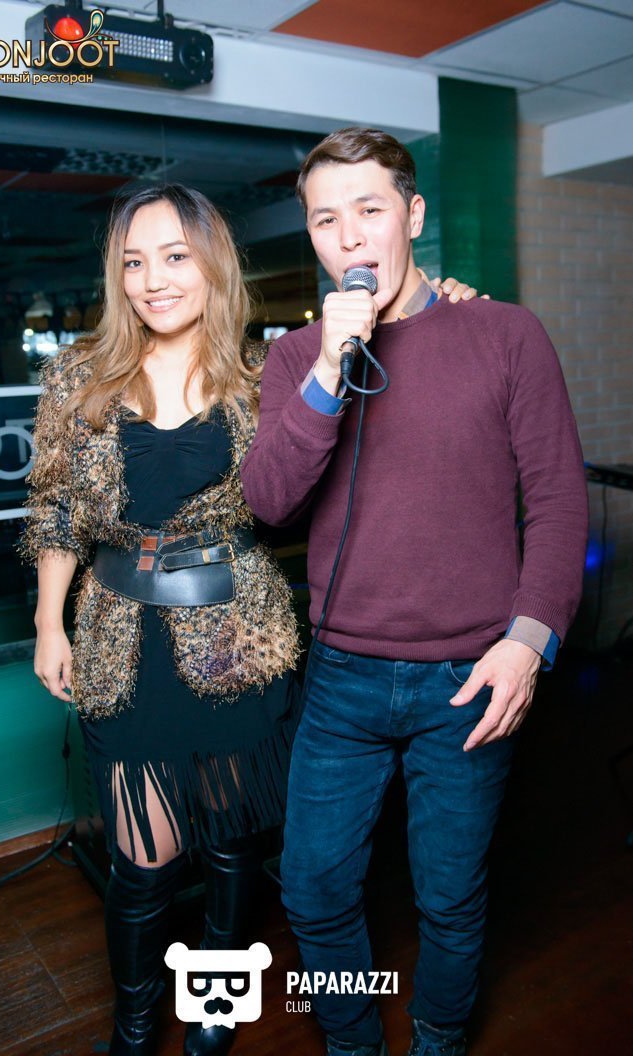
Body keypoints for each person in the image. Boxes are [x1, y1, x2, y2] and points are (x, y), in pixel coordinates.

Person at [240, 128, 588, 1056]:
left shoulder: (503, 334)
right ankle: (352, 1042)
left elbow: (558, 501)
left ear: (413, 214)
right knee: (312, 888)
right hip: (341, 679)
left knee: (448, 894)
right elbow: (268, 503)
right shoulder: (296, 359)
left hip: (469, 679)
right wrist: (328, 369)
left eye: (369, 209)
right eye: (325, 219)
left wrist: (527, 642)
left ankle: (437, 1039)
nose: (349, 236)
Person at [20, 184, 303, 1056]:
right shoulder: (77, 376)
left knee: (231, 848)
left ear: (213, 263)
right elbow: (56, 509)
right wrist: (49, 623)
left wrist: (440, 299)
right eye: (134, 261)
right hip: (121, 644)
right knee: (143, 864)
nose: (153, 279)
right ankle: (136, 1024)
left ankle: (214, 1004)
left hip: (235, 641)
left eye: (175, 256)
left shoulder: (266, 374)